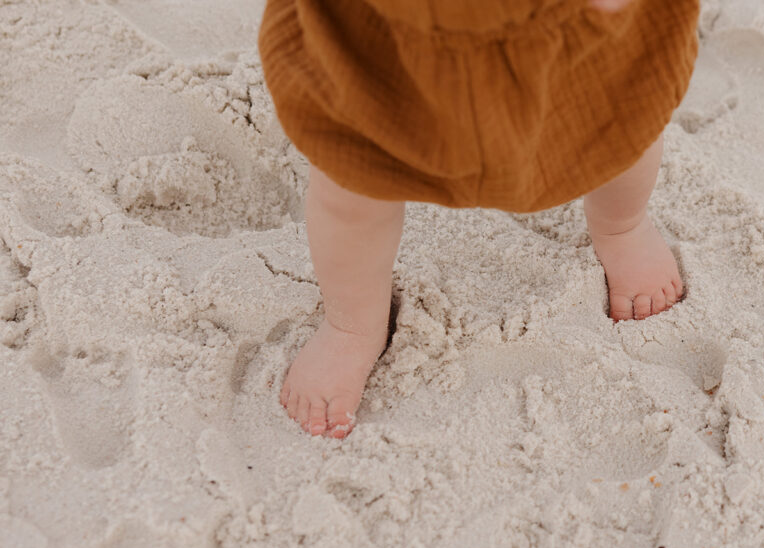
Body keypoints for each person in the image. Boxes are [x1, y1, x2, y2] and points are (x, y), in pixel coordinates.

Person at [258, 0, 700, 438]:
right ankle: (352, 325)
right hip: (381, 37)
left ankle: (622, 227)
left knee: (624, 124)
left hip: (571, 33)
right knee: (350, 179)